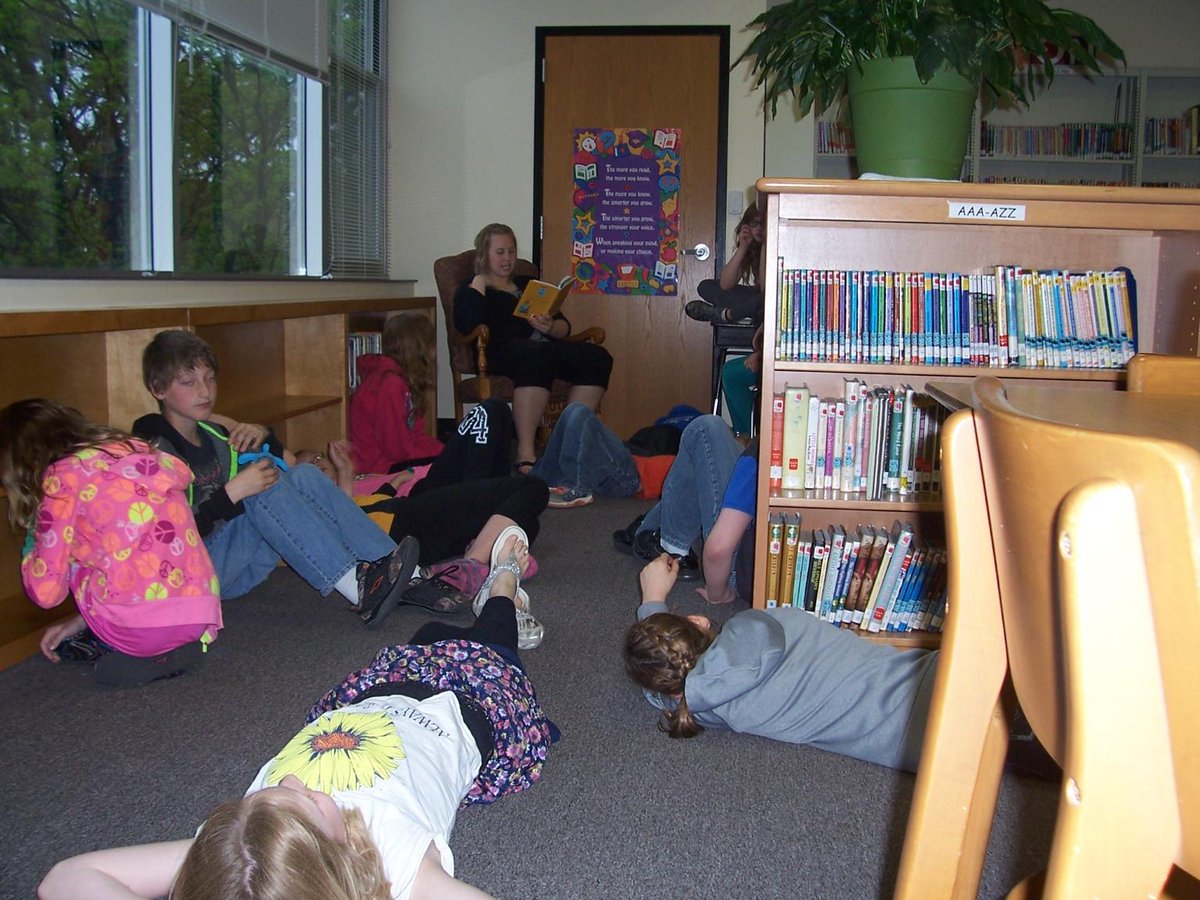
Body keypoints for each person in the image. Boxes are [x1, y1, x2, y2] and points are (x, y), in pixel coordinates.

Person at [38, 533, 556, 900]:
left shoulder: (242, 854)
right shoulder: (395, 864)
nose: (289, 778)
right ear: (339, 862)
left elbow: (65, 878)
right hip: (471, 707)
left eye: (271, 792)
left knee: (425, 639)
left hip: (373, 696)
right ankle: (504, 587)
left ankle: (476, 615)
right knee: (493, 639)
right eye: (303, 799)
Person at [133, 329, 419, 630]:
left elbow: (289, 464)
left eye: (210, 378)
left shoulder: (215, 434)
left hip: (240, 564)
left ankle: (401, 572)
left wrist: (262, 436)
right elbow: (168, 539)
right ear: (158, 389)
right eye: (188, 383)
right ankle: (357, 587)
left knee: (304, 474)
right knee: (256, 488)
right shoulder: (153, 452)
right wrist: (232, 493)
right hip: (192, 576)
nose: (204, 392)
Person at [623, 553, 938, 772]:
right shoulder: (773, 622)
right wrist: (654, 600)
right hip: (930, 687)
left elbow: (664, 678)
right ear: (698, 620)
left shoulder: (706, 706)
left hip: (922, 749)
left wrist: (651, 608)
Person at [0, 398, 222, 687]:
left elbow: (46, 594)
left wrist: (35, 536)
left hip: (135, 625)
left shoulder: (60, 481)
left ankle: (132, 649)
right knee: (129, 543)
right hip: (199, 612)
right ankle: (170, 647)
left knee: (74, 553)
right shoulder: (139, 452)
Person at [298, 441, 548, 648]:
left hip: (413, 527)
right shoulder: (317, 506)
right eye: (309, 464)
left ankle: (482, 566)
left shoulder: (361, 487)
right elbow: (341, 517)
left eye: (319, 458)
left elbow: (378, 495)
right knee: (531, 487)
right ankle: (473, 565)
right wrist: (343, 474)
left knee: (525, 522)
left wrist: (396, 478)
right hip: (405, 524)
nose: (318, 464)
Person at [453, 223, 614, 471]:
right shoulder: (474, 288)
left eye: (511, 251)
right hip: (502, 351)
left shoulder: (528, 283)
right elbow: (467, 325)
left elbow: (564, 327)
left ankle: (566, 442)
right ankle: (525, 453)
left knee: (597, 357)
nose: (507, 258)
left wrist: (549, 327)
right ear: (484, 255)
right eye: (500, 252)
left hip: (544, 347)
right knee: (537, 354)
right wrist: (480, 282)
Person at [349, 315, 516, 487]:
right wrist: (445, 459)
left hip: (399, 462)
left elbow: (416, 436)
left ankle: (494, 488)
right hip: (385, 470)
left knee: (483, 437)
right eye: (432, 345)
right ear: (419, 348)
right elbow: (396, 451)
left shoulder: (399, 381)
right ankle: (487, 491)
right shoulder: (389, 385)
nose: (435, 351)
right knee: (475, 453)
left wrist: (446, 452)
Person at [612, 415, 750, 587]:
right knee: (711, 440)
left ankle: (666, 541)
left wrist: (718, 593)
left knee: (705, 428)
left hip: (737, 564)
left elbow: (718, 550)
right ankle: (652, 528)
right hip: (754, 555)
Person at [685, 204, 765, 325]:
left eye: (763, 223)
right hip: (755, 299)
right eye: (754, 223)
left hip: (775, 298)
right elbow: (725, 285)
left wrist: (767, 243)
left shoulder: (780, 244)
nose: (759, 228)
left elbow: (767, 288)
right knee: (706, 286)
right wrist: (743, 247)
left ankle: (727, 315)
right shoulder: (753, 248)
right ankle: (741, 312)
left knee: (763, 300)